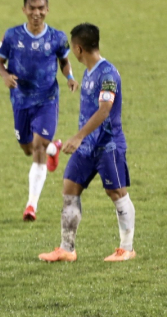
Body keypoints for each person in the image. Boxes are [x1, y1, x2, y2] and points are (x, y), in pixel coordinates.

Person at [39, 24, 135, 263]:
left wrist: (79, 135)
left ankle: (127, 248)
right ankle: (67, 249)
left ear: (79, 48)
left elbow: (104, 111)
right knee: (70, 187)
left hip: (108, 145)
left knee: (116, 192)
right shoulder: (89, 72)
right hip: (87, 148)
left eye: (73, 48)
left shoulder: (108, 74)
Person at [0, 0, 78, 222]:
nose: (37, 13)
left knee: (38, 147)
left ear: (47, 10)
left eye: (41, 8)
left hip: (47, 99)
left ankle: (31, 205)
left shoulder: (57, 37)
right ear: (24, 10)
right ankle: (54, 149)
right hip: (20, 100)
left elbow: (64, 62)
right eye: (32, 8)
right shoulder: (12, 36)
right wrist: (4, 75)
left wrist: (69, 77)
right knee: (28, 148)